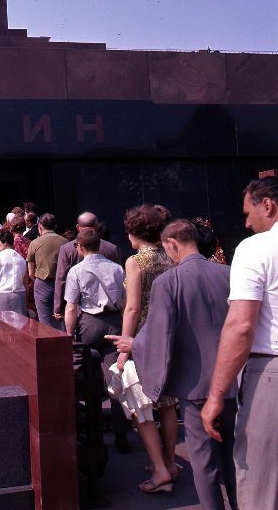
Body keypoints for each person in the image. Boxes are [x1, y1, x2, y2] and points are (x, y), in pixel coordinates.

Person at [108, 219, 237, 506]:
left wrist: (132, 345)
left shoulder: (170, 281)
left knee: (204, 463)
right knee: (235, 457)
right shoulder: (229, 273)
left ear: (172, 243)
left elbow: (159, 331)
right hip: (233, 381)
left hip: (195, 386)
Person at [201, 176, 278, 510]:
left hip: (270, 374)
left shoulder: (256, 248)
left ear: (268, 206)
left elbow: (241, 326)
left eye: (249, 213)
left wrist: (216, 396)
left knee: (261, 483)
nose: (246, 223)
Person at [117, 204, 179, 479]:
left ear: (134, 232)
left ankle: (160, 467)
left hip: (142, 336)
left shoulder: (135, 261)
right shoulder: (170, 256)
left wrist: (124, 344)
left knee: (140, 404)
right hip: (168, 334)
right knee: (167, 403)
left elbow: (132, 307)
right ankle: (171, 461)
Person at [60, 229, 130, 456]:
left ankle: (92, 429)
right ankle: (121, 435)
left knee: (87, 379)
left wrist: (69, 335)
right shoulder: (117, 268)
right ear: (100, 245)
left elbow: (71, 307)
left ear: (79, 248)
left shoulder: (76, 271)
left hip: (89, 324)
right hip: (113, 322)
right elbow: (124, 301)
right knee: (115, 378)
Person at [54, 211, 125, 324]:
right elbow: (122, 283)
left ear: (77, 227)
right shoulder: (112, 248)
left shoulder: (67, 249)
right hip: (113, 315)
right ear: (97, 227)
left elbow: (61, 279)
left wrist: (58, 308)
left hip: (81, 313)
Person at [27, 213, 68, 329]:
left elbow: (30, 272)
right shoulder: (66, 242)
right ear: (55, 226)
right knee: (63, 317)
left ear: (40, 227)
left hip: (42, 283)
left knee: (45, 319)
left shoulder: (34, 243)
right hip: (64, 284)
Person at [0, 229, 28, 315]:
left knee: (1, 325)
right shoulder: (21, 259)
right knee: (19, 325)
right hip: (19, 294)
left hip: (1, 294)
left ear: (5, 242)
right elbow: (25, 282)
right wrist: (26, 299)